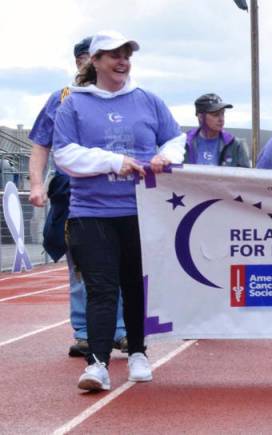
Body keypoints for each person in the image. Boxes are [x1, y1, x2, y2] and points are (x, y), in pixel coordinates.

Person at [52, 30, 185, 391]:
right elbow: (63, 154)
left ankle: (139, 352)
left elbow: (175, 138)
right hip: (91, 213)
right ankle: (97, 364)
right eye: (113, 54)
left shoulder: (147, 101)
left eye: (127, 53)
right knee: (101, 288)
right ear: (95, 61)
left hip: (141, 211)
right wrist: (115, 161)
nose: (122, 59)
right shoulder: (73, 105)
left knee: (136, 285)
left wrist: (166, 157)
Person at [28, 36, 127, 358]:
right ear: (81, 61)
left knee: (123, 264)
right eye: (93, 57)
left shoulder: (125, 96)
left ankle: (123, 331)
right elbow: (41, 143)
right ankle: (85, 332)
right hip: (73, 193)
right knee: (81, 268)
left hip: (118, 192)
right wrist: (38, 185)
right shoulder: (62, 99)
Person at [184, 93, 250, 167]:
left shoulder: (236, 146)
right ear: (201, 117)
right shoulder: (183, 143)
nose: (221, 119)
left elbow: (246, 177)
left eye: (223, 113)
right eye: (215, 115)